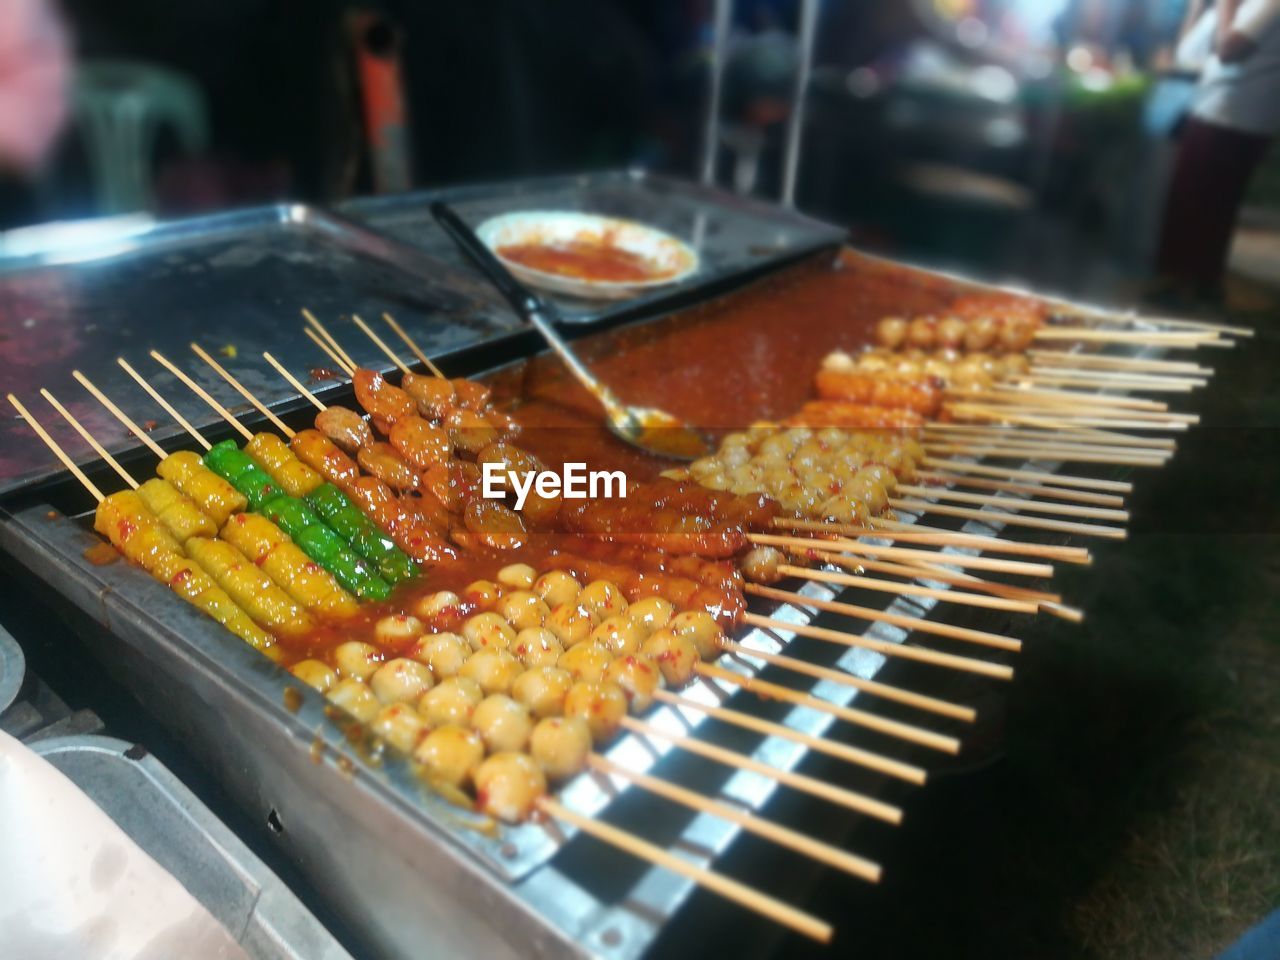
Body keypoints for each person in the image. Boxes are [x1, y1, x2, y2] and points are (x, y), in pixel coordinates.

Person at [1154, 0, 1280, 299]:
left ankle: (1191, 290)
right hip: (1224, 110)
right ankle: (1189, 286)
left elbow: (1228, 50)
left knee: (1202, 206)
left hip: (1232, 114)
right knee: (1199, 205)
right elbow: (1188, 54)